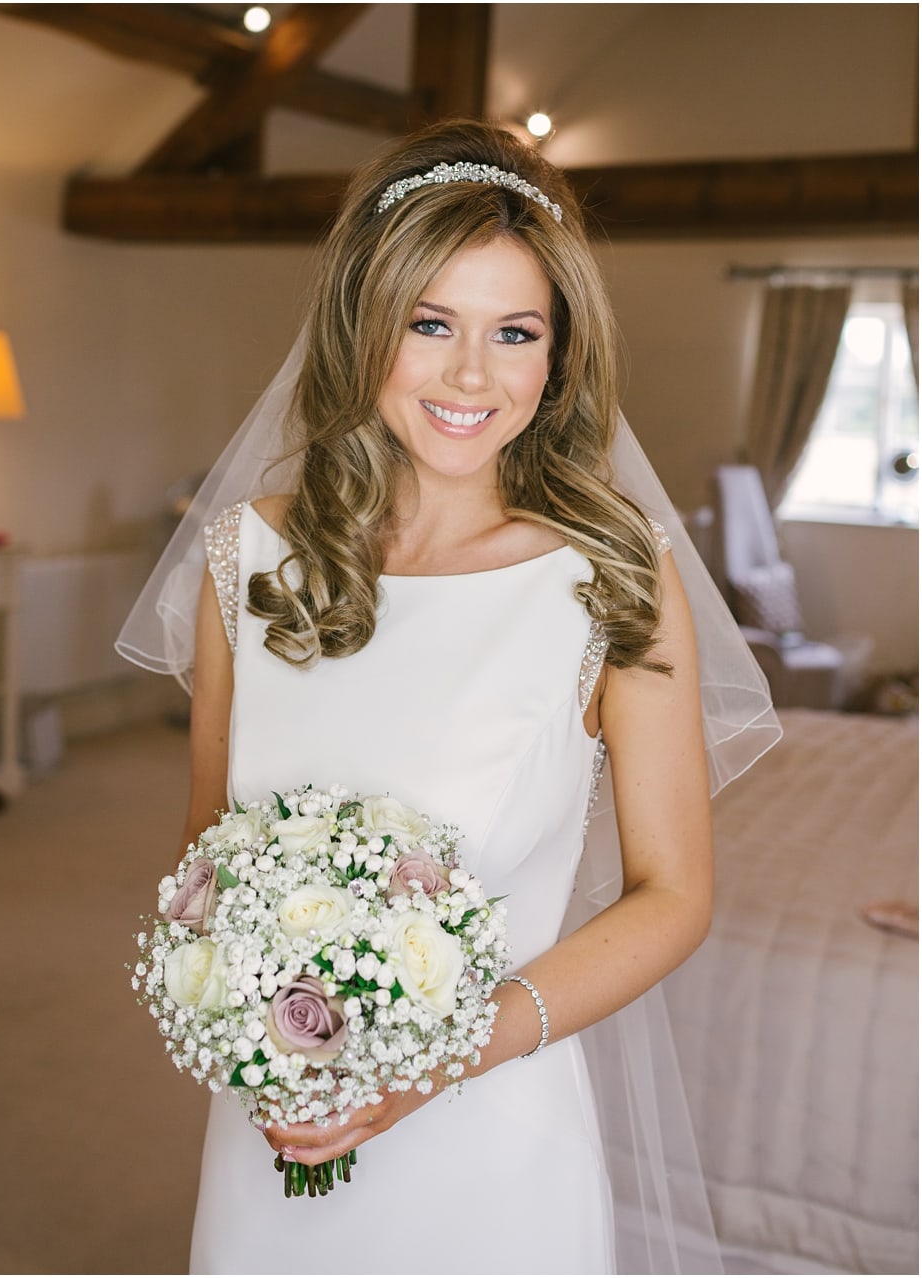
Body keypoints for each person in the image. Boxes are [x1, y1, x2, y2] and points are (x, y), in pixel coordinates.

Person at [119, 119, 780, 1274]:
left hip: (491, 1155)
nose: (470, 375)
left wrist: (439, 1055)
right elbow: (205, 858)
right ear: (363, 326)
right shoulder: (246, 558)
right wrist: (240, 1019)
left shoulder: (614, 578)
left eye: (512, 333)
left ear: (557, 357)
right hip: (272, 1136)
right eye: (430, 324)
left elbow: (670, 895)